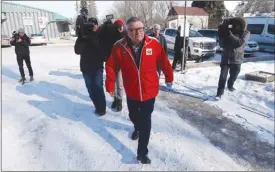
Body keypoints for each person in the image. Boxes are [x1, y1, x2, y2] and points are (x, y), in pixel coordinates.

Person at [105, 17, 174, 164]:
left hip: (149, 91)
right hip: (132, 91)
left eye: (141, 29)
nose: (138, 32)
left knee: (146, 120)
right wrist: (110, 84)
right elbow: (111, 65)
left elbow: (164, 61)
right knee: (133, 115)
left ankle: (142, 152)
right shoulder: (119, 47)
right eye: (134, 30)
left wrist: (169, 77)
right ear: (127, 32)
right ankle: (136, 126)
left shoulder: (153, 43)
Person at [74, 17, 107, 116]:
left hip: (97, 67)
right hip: (85, 67)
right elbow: (77, 51)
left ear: (97, 26)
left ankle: (102, 108)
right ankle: (97, 106)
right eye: (89, 24)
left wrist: (94, 36)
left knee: (98, 87)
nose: (91, 26)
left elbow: (104, 54)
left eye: (93, 24)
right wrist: (82, 37)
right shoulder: (82, 37)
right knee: (90, 89)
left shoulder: (100, 37)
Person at [216, 17, 250, 99]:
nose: (234, 27)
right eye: (233, 25)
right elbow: (222, 45)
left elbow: (239, 42)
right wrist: (221, 35)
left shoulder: (246, 33)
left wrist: (229, 34)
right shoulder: (228, 32)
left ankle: (230, 85)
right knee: (222, 76)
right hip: (226, 58)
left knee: (234, 75)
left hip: (237, 59)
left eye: (236, 25)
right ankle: (219, 93)